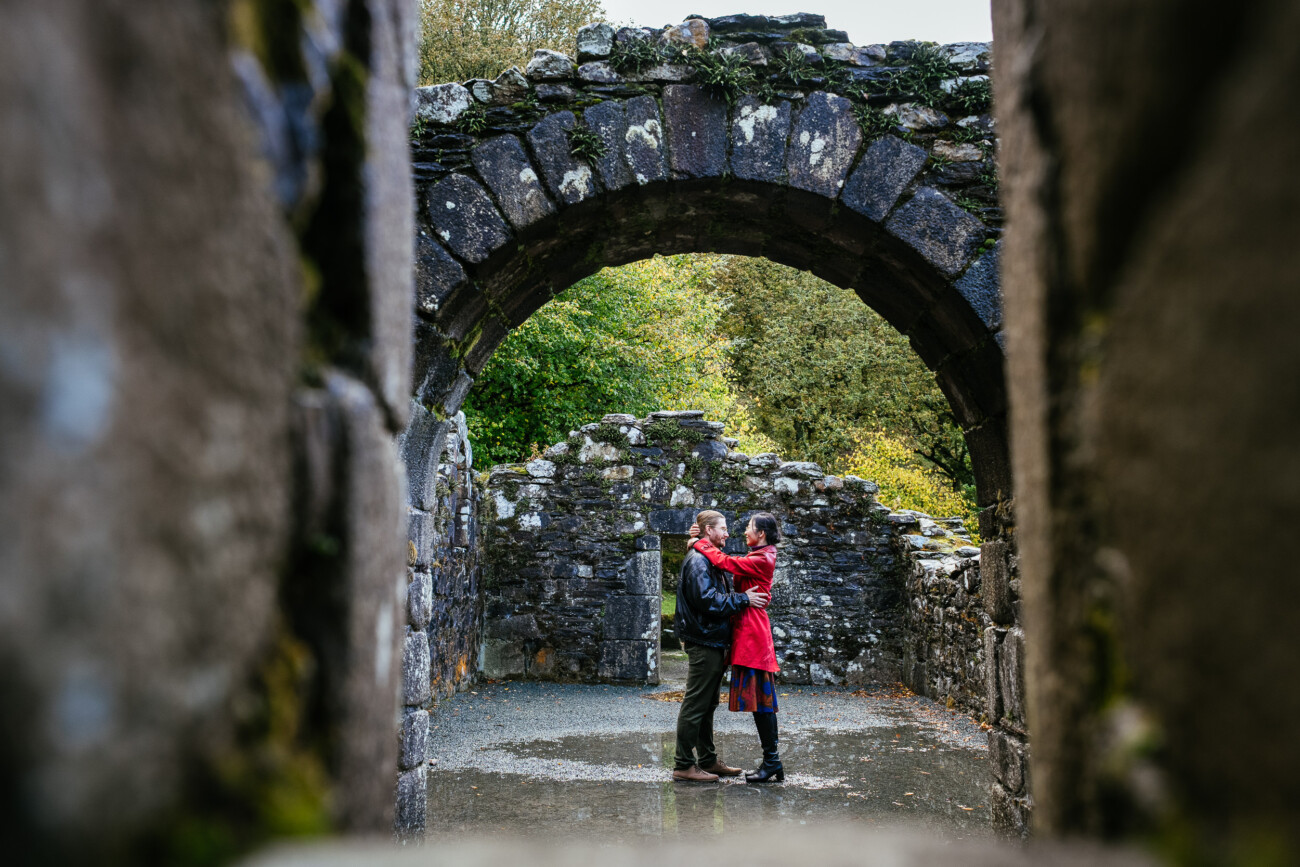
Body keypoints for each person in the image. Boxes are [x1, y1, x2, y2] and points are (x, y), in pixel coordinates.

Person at [672, 510, 769, 782]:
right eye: (722, 529)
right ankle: (683, 765)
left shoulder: (709, 557)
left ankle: (708, 760)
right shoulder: (699, 561)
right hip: (703, 640)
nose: (728, 534)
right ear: (707, 531)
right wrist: (743, 600)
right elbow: (708, 599)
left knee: (707, 703)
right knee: (696, 703)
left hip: (711, 640)